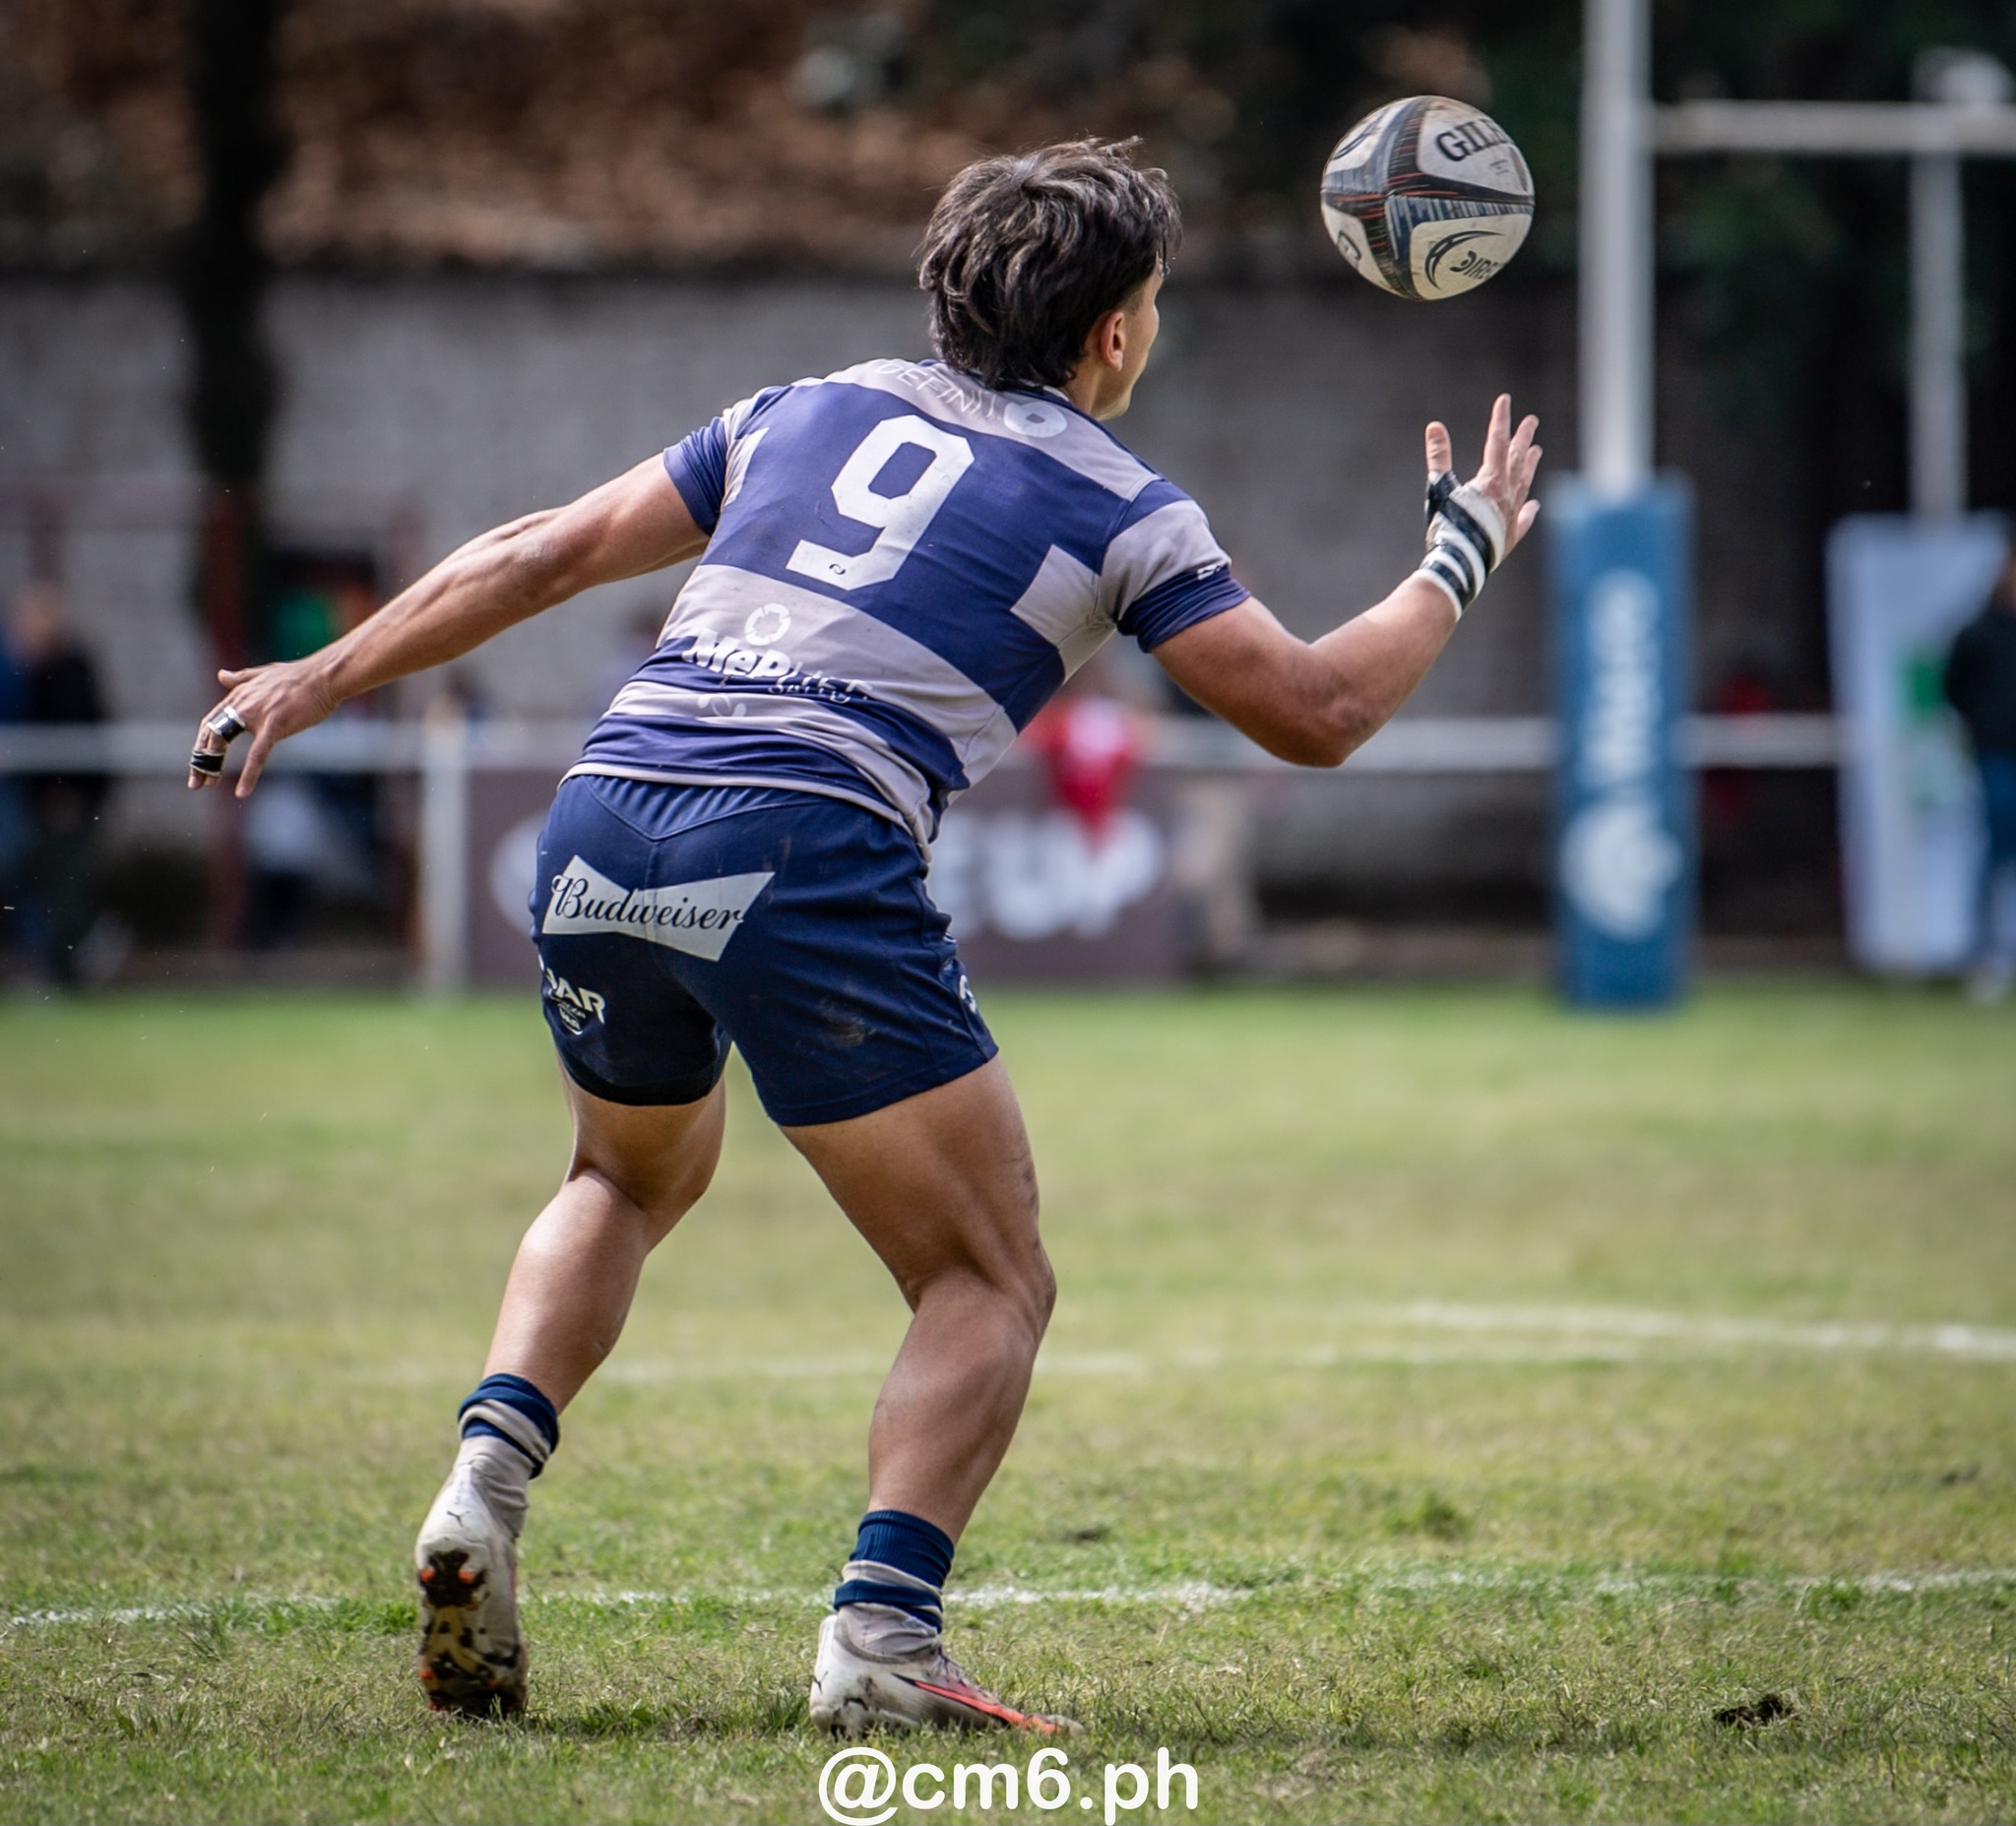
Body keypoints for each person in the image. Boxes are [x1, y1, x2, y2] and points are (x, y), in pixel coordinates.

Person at [187, 139, 1542, 1731]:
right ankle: (880, 1645)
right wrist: (1460, 551)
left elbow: (540, 549)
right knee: (985, 1276)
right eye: (1152, 306)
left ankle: (483, 1486)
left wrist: (308, 679)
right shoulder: (1120, 502)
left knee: (618, 1176)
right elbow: (1311, 712)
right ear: (1111, 332)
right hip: (803, 838)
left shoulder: (800, 409)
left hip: (605, 809)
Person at [12, 581, 109, 987]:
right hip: (43, 799)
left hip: (69, 800)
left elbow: (75, 736)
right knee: (39, 879)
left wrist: (66, 794)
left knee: (64, 885)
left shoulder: (66, 671)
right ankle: (67, 961)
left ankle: (84, 955)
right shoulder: (31, 672)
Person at [1943, 547, 2016, 1002]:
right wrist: (1982, 725)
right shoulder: (1980, 632)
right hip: (1996, 755)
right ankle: (1987, 955)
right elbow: (1954, 687)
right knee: (1995, 853)